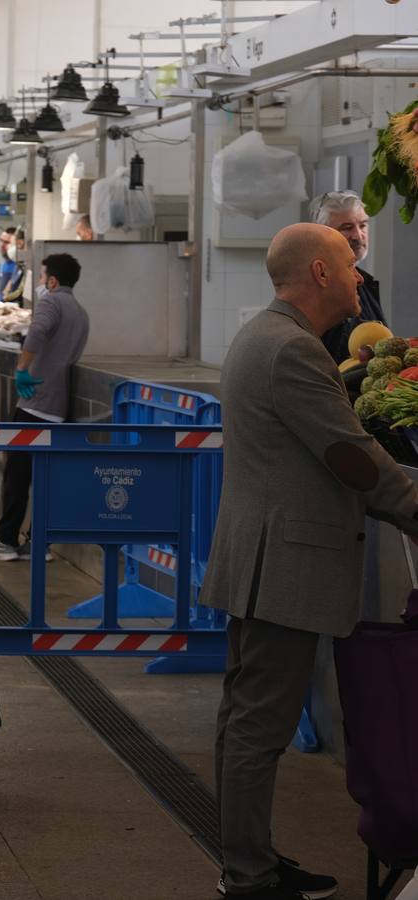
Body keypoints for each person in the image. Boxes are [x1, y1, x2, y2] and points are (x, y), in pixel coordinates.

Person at [202, 222, 418, 900]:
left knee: (246, 719)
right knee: (259, 724)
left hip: (264, 557)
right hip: (282, 566)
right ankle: (248, 875)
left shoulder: (270, 339)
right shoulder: (290, 351)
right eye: (352, 266)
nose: (361, 278)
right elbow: (349, 455)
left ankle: (250, 860)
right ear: (320, 273)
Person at [0, 253, 90, 562]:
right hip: (58, 406)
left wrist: (23, 368)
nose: (39, 283)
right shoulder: (81, 312)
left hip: (34, 402)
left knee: (17, 476)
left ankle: (7, 540)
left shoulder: (50, 303)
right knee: (45, 477)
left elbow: (36, 331)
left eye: (42, 276)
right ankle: (38, 542)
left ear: (52, 280)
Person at [311, 191, 385, 363]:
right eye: (347, 227)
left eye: (363, 225)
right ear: (323, 233)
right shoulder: (321, 286)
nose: (358, 236)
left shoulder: (365, 283)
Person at [2, 230, 29, 303]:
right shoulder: (19, 264)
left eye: (11, 243)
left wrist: (5, 298)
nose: (8, 247)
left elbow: (20, 291)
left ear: (20, 242)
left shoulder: (28, 264)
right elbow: (11, 283)